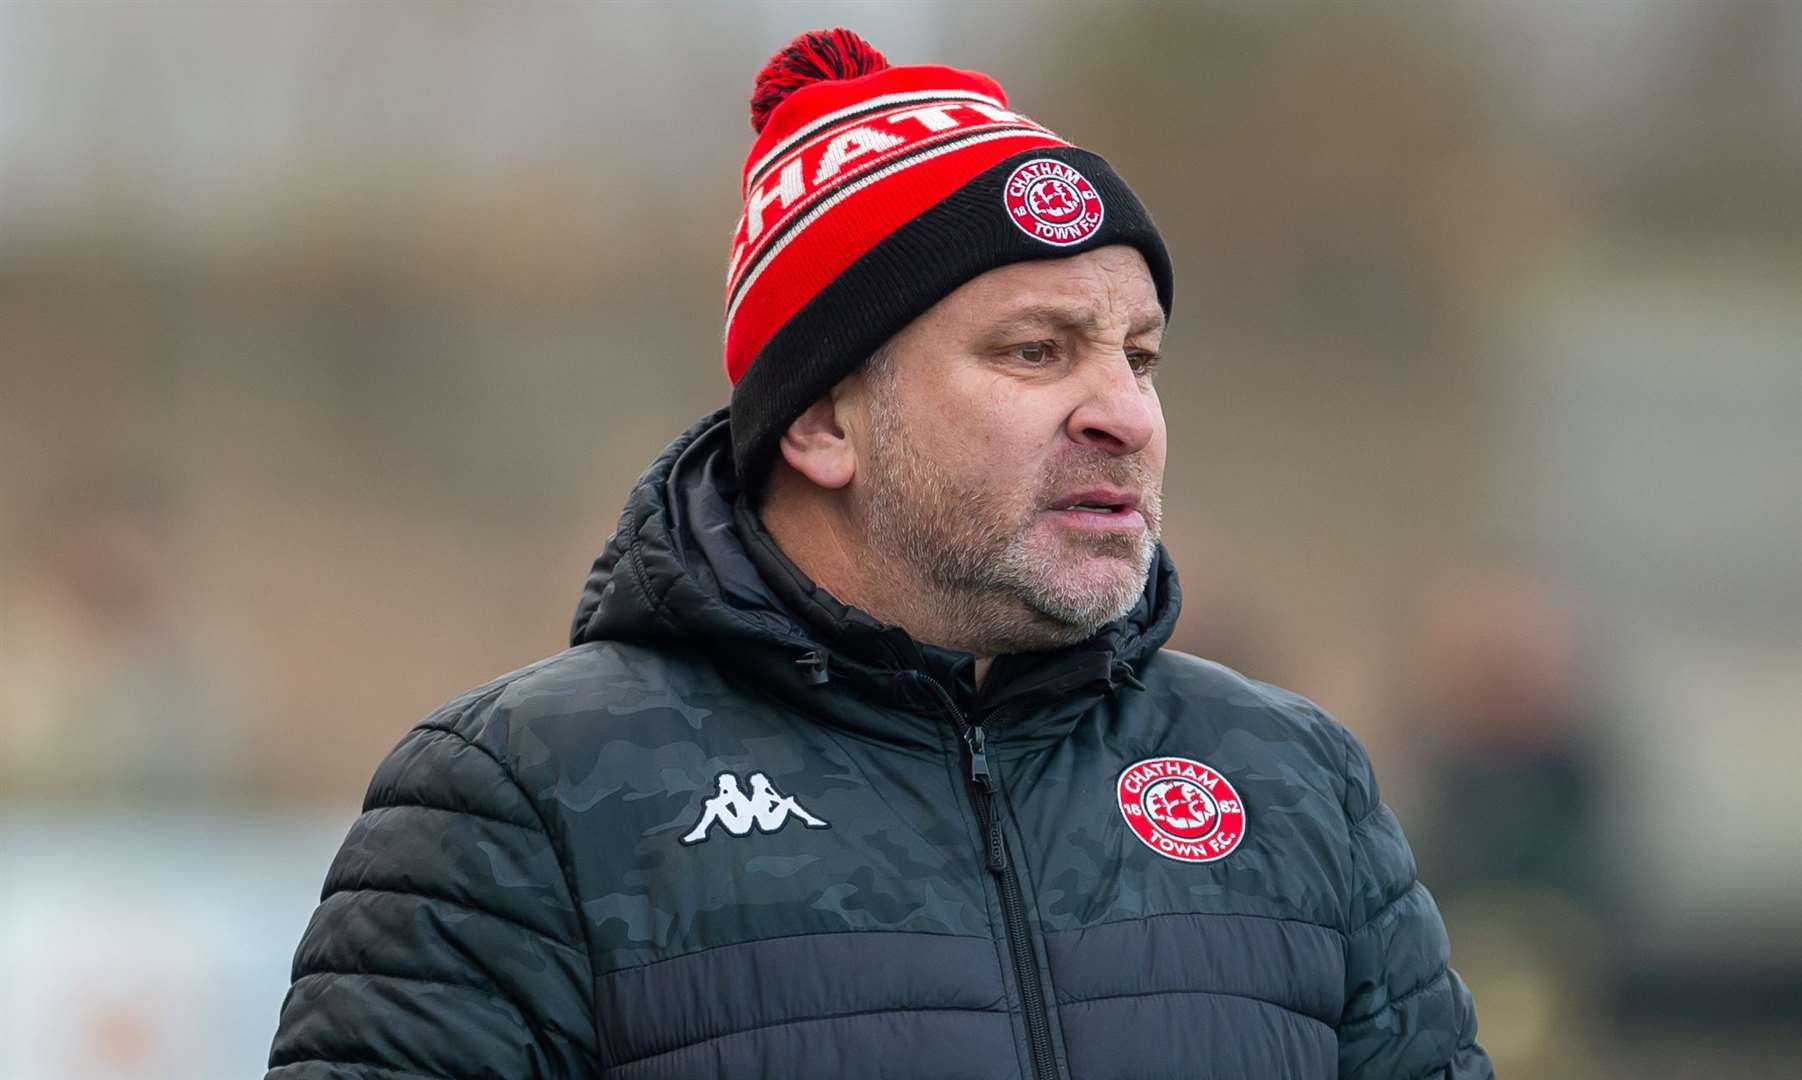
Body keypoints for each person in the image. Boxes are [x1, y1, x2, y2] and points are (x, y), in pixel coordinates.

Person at [267, 28, 1490, 1079]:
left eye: (1139, 355)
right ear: (819, 419)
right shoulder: (522, 800)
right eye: (1034, 351)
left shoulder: (1292, 786)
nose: (1122, 410)